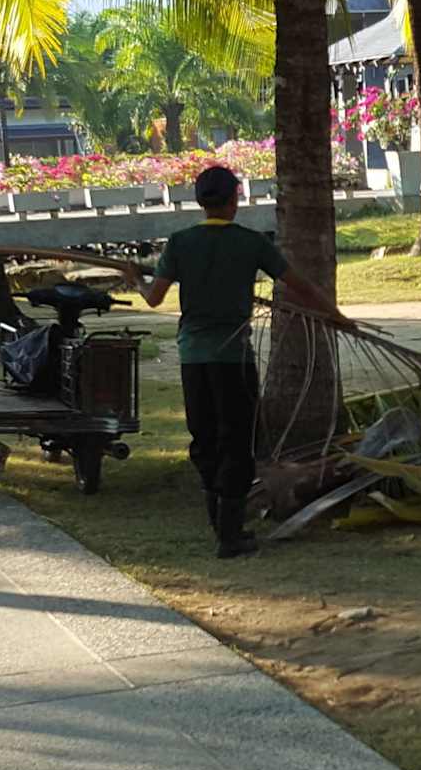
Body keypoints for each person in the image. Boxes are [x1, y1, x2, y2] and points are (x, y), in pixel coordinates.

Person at [138, 165, 345, 559]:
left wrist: (135, 279)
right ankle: (229, 534)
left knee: (204, 437)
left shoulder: (180, 243)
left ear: (201, 201)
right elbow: (300, 286)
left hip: (193, 359)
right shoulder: (251, 243)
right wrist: (336, 316)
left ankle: (219, 522)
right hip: (233, 358)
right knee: (237, 440)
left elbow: (153, 297)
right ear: (234, 198)